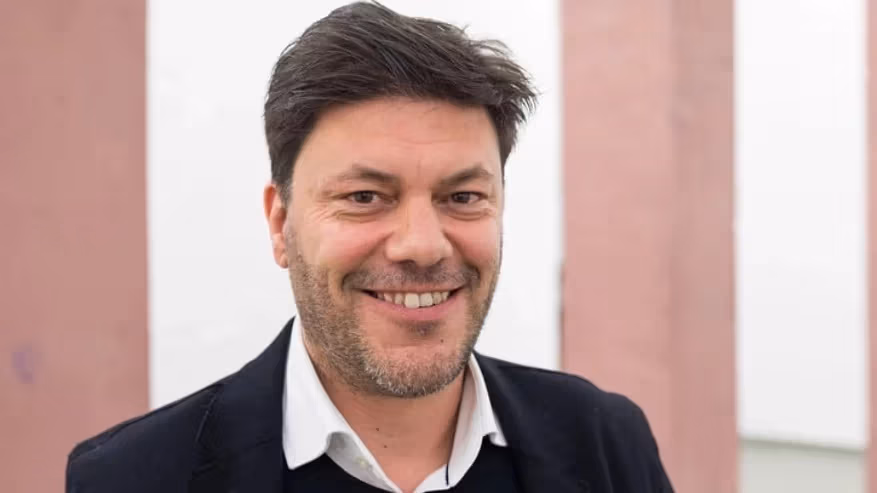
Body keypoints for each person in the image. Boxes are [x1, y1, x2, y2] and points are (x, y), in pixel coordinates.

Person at [66, 2, 673, 492]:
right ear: (281, 224)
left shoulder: (605, 445)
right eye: (364, 196)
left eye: (462, 196)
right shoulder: (134, 478)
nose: (421, 245)